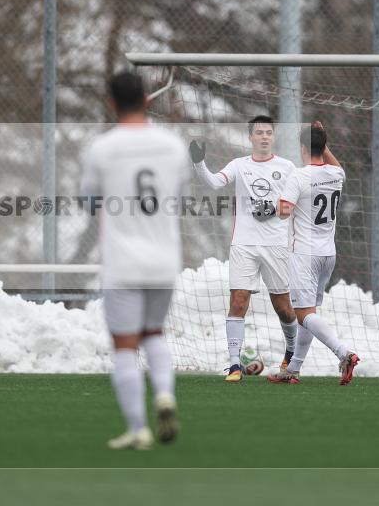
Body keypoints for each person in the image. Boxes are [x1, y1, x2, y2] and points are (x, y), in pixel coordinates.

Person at [80, 72, 189, 450]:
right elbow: (179, 195)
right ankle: (165, 395)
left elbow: (89, 202)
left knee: (125, 346)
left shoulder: (102, 149)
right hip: (164, 258)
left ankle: (139, 428)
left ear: (111, 102)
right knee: (154, 334)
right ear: (146, 99)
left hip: (122, 261)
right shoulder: (172, 145)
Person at [189, 116, 299, 382]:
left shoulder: (287, 167)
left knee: (283, 307)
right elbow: (215, 182)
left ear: (273, 137)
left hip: (276, 245)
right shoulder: (239, 165)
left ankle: (292, 355)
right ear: (250, 137)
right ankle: (234, 365)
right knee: (238, 301)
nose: (264, 137)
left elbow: (294, 203)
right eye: (259, 132)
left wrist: (273, 208)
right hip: (244, 245)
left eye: (268, 133)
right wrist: (198, 162)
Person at [269, 122, 359, 385]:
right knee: (309, 313)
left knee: (304, 314)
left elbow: (284, 211)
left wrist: (274, 207)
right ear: (323, 147)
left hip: (305, 255)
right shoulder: (336, 174)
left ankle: (344, 354)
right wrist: (322, 140)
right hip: (327, 254)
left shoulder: (299, 176)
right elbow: (337, 166)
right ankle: (293, 370)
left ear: (302, 148)